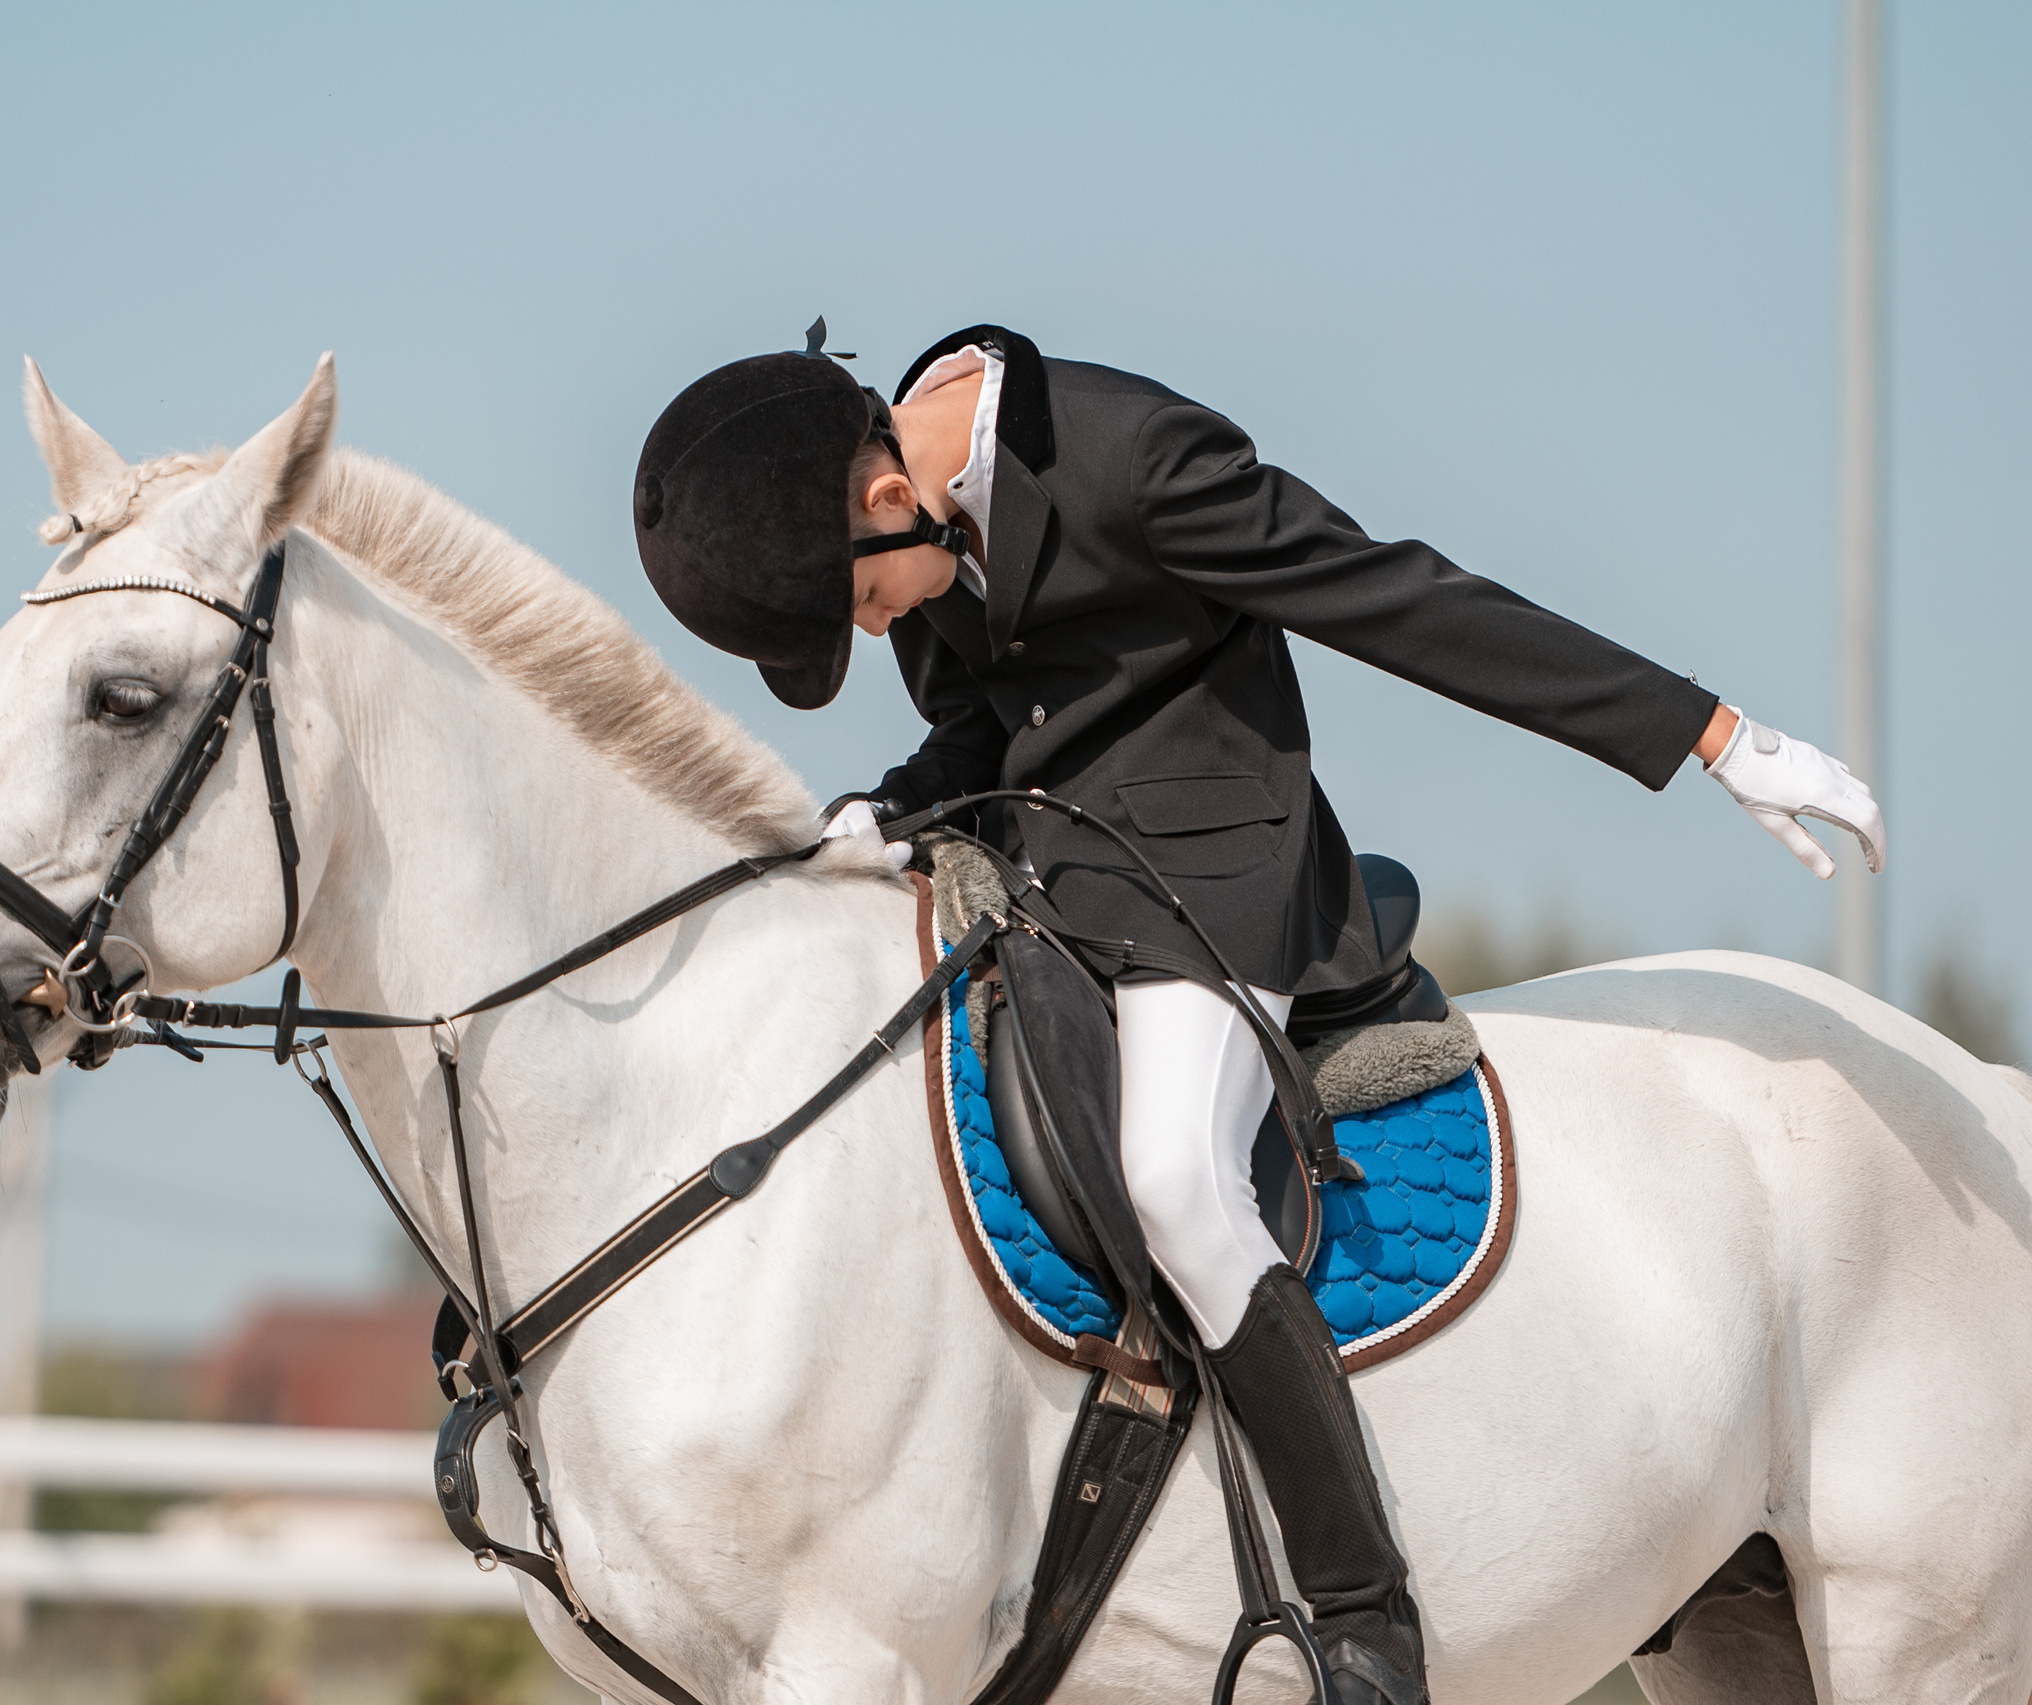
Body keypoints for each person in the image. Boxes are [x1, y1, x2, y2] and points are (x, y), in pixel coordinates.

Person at [629, 322, 1884, 1705]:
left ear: (884, 495)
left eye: (857, 607)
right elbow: (986, 722)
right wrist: (894, 801)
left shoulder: (1138, 465)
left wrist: (1707, 733)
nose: (872, 629)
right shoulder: (904, 510)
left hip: (1216, 866)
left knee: (1176, 1176)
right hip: (1048, 871)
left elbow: (1401, 601)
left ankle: (1360, 1612)